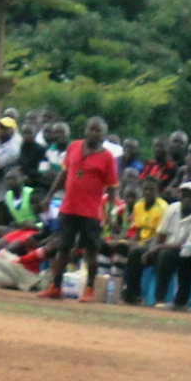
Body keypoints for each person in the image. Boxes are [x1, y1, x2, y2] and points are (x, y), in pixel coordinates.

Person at [37, 116, 119, 302]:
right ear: (85, 130)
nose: (94, 133)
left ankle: (89, 288)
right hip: (69, 207)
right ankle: (55, 286)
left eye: (98, 131)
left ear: (104, 135)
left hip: (91, 212)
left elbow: (112, 188)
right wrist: (49, 196)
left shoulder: (107, 158)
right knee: (63, 247)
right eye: (91, 129)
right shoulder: (74, 146)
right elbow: (64, 173)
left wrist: (110, 212)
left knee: (91, 251)